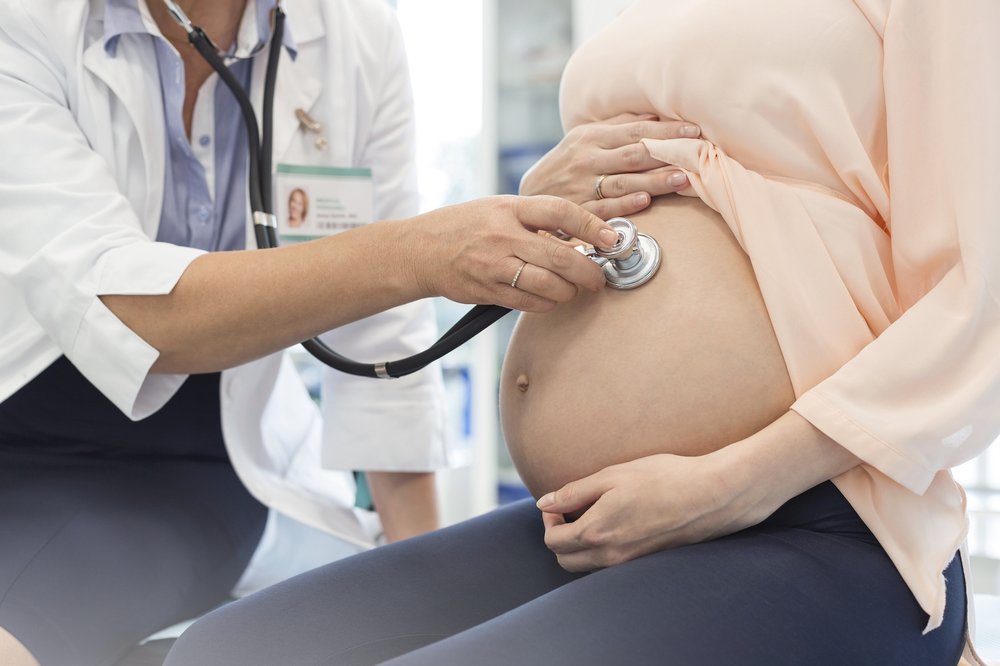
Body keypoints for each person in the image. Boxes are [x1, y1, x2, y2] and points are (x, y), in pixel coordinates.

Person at [164, 0, 997, 664]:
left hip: (816, 513)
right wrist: (545, 192)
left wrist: (734, 482)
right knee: (225, 651)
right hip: (593, 525)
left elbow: (982, 290)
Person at [0, 1, 622, 664]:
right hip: (26, 444)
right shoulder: (26, 22)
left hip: (215, 465)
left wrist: (427, 584)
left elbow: (386, 337)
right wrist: (417, 253)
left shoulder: (356, 32)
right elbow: (126, 308)